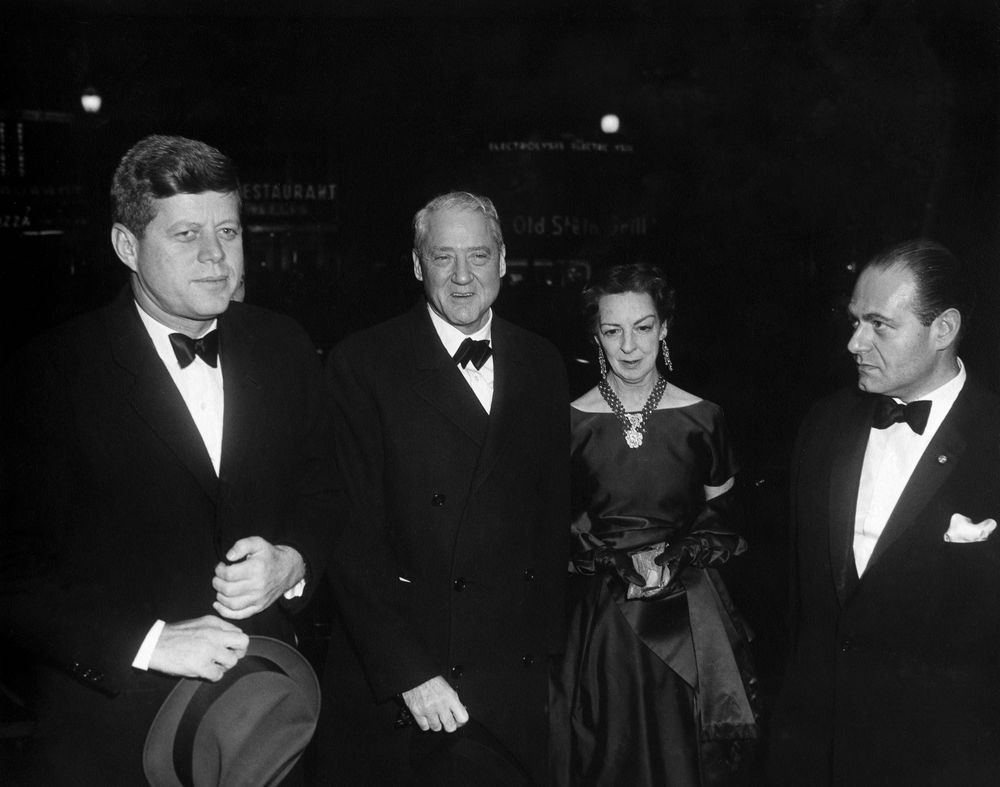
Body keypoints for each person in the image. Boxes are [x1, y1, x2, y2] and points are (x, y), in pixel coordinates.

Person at [0, 135, 337, 785]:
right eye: (186, 234)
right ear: (127, 246)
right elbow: (11, 576)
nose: (216, 256)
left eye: (229, 231)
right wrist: (151, 641)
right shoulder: (49, 374)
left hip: (265, 724)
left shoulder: (284, 344)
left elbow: (324, 487)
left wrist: (293, 560)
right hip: (115, 736)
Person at [318, 191, 569, 785]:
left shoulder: (542, 361)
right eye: (443, 257)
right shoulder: (362, 363)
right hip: (414, 681)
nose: (462, 277)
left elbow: (551, 524)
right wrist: (409, 672)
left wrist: (549, 667)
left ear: (504, 260)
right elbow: (349, 537)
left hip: (514, 679)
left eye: (478, 256)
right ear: (416, 264)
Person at [767, 239, 1000, 786]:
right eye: (853, 321)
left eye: (878, 325)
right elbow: (798, 608)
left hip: (944, 761)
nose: (854, 342)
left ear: (942, 330)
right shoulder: (822, 426)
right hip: (815, 754)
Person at [550, 263, 758, 786]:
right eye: (612, 330)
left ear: (664, 328)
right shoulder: (569, 421)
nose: (629, 346)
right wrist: (612, 559)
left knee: (686, 753)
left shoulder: (703, 417)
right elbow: (553, 522)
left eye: (643, 327)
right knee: (606, 751)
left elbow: (722, 516)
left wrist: (677, 557)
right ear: (595, 335)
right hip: (604, 620)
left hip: (689, 611)